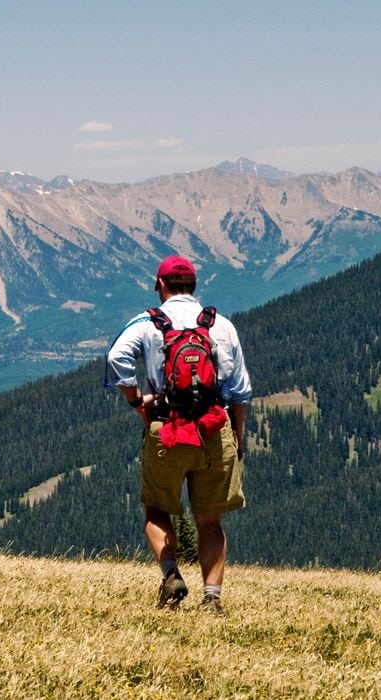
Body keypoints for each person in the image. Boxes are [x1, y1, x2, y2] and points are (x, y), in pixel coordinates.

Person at [106, 255, 251, 615]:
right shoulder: (221, 326)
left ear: (161, 285)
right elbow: (241, 391)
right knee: (209, 519)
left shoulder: (148, 323)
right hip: (214, 430)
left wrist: (138, 401)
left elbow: (116, 359)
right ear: (195, 286)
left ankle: (171, 574)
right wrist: (239, 434)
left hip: (167, 428)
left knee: (157, 508)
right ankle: (213, 596)